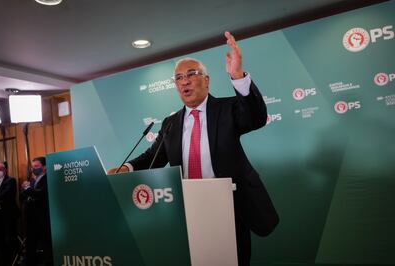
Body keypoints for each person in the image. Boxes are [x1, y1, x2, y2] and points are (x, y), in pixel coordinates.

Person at [109, 31, 279, 266]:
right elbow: (154, 157)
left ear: (206, 80)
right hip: (189, 208)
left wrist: (238, 76)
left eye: (191, 74)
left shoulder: (227, 109)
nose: (184, 81)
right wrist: (126, 168)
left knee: (233, 260)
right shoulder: (171, 123)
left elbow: (256, 117)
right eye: (178, 78)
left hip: (229, 205)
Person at [21, 157, 53, 266]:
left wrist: (28, 189)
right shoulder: (32, 180)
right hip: (31, 219)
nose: (33, 169)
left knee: (45, 245)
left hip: (43, 218)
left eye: (36, 166)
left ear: (45, 167)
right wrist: (25, 190)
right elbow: (25, 196)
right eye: (32, 167)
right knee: (31, 245)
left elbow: (41, 194)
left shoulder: (48, 179)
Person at [0, 162, 19, 266]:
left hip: (8, 215)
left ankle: (12, 261)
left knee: (9, 239)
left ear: (5, 170)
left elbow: (5, 195)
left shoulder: (11, 181)